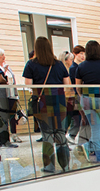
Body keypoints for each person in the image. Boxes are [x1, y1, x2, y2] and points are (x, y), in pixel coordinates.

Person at [22, 36, 71, 173]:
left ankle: (49, 166)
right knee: (61, 133)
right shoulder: (59, 64)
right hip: (59, 101)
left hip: (42, 102)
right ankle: (65, 165)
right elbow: (67, 84)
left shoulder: (31, 64)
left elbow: (28, 85)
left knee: (47, 134)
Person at [0, 48, 23, 143]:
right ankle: (5, 137)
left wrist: (16, 95)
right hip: (3, 96)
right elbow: (1, 80)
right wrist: (4, 71)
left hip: (12, 95)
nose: (4, 58)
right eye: (2, 56)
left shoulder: (7, 66)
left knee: (12, 116)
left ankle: (14, 134)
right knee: (4, 116)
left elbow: (12, 80)